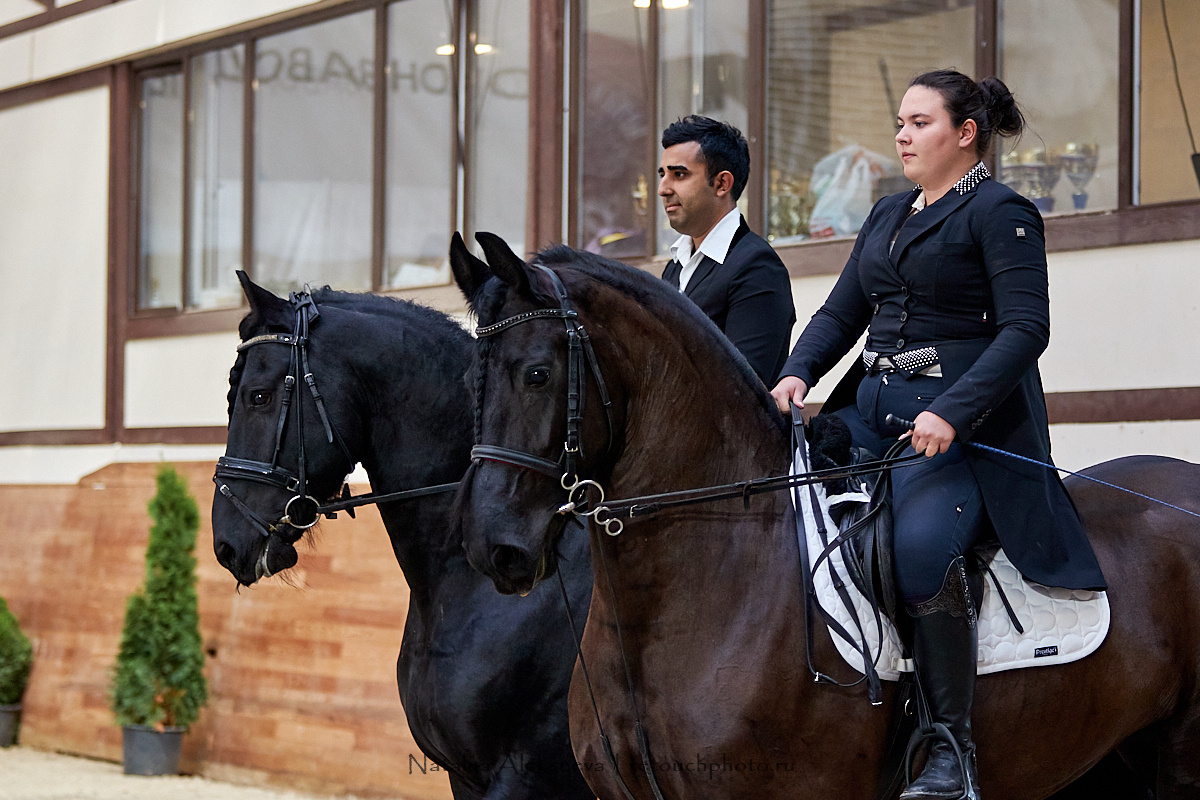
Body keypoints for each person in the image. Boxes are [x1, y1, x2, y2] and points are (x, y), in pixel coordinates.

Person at [770, 70, 1106, 800]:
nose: (901, 135)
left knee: (922, 552)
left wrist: (953, 411)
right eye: (899, 121)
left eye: (919, 122)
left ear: (965, 134)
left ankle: (950, 747)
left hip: (960, 432)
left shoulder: (1001, 212)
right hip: (868, 416)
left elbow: (1027, 329)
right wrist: (797, 372)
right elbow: (839, 314)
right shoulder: (888, 214)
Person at [659, 115, 796, 385]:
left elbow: (743, 389)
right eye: (663, 175)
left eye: (679, 175)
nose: (663, 189)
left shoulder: (757, 268)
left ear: (722, 184)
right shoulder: (675, 267)